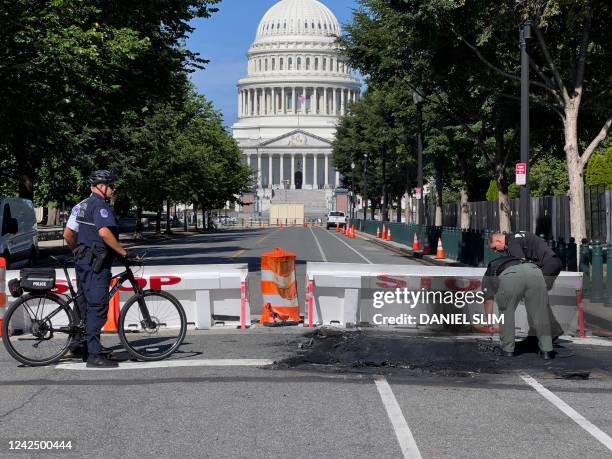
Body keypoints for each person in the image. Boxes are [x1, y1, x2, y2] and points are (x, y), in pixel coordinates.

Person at [74, 170, 130, 368]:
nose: (113, 189)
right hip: (95, 265)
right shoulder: (99, 206)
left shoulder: (84, 205)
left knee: (85, 305)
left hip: (84, 261)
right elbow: (105, 233)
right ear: (100, 186)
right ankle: (94, 356)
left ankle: (84, 347)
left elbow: (70, 233)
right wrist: (123, 252)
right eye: (111, 186)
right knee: (97, 307)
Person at [488, 232, 564, 348]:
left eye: (494, 248)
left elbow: (519, 263)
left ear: (499, 241)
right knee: (536, 299)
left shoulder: (512, 243)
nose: (495, 251)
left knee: (533, 298)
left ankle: (547, 332)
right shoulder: (515, 237)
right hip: (551, 263)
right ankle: (545, 332)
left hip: (546, 265)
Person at [481, 255, 555, 359]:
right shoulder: (516, 260)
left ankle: (507, 349)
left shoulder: (489, 272)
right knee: (540, 312)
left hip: (511, 275)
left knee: (506, 312)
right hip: (534, 271)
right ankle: (547, 350)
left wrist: (489, 324)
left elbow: (488, 299)